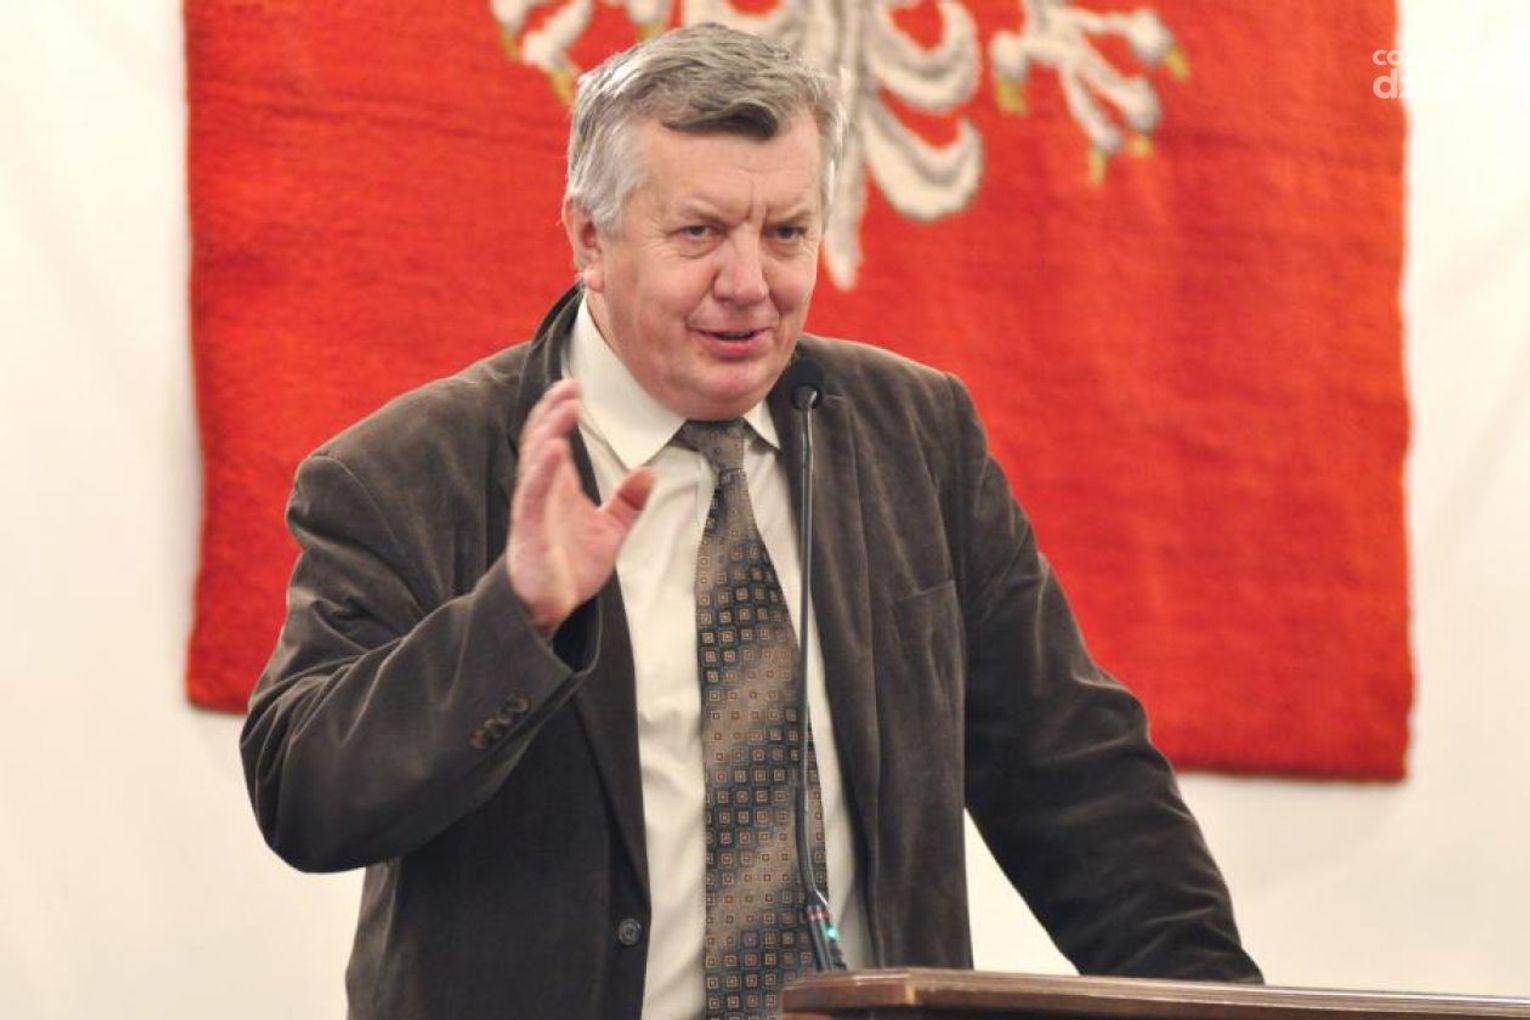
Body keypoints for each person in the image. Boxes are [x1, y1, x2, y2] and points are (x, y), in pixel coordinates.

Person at [240, 22, 1260, 1020]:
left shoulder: (916, 438)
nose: (749, 285)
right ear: (590, 238)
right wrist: (514, 621)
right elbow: (306, 798)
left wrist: (1224, 1005)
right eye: (699, 233)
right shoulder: (405, 471)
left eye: (786, 234)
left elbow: (1075, 778)